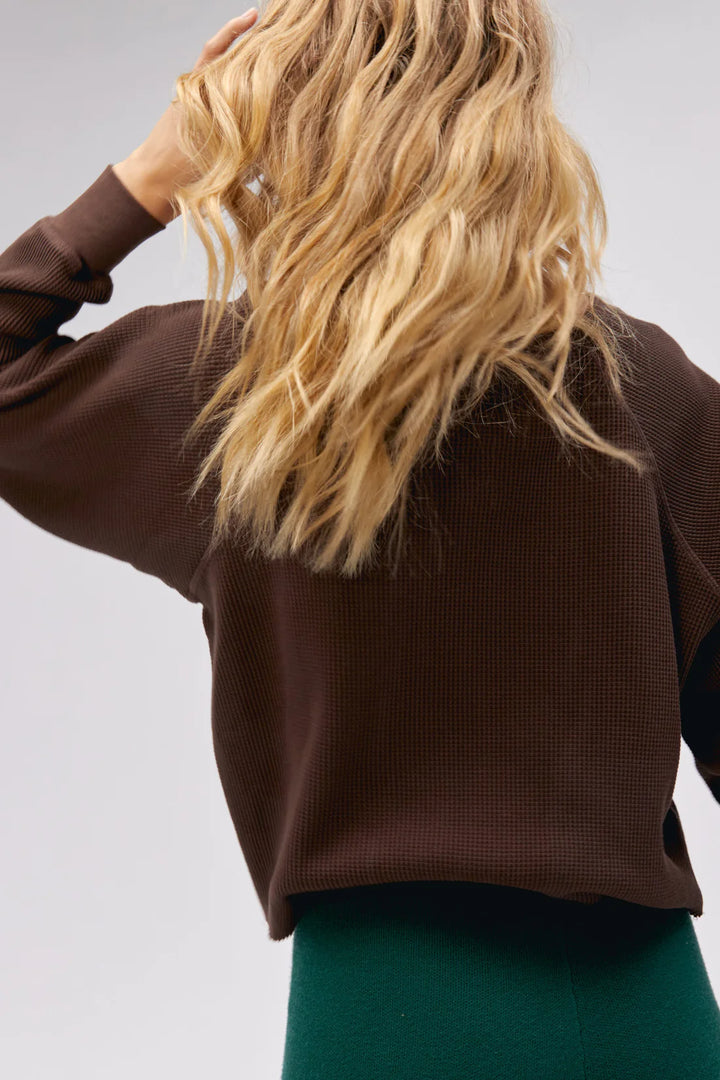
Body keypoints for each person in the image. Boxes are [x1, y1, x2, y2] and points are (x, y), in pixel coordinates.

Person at [1, 2, 719, 1076]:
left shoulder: (240, 394)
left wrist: (150, 175)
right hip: (639, 1010)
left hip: (386, 1013)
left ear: (292, 108)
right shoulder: (640, 386)